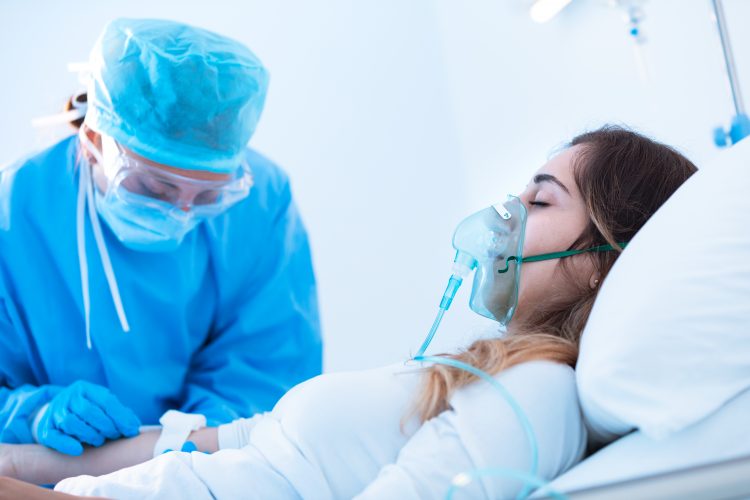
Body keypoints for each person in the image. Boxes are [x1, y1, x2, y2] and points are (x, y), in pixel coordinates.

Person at [0, 127, 697, 499]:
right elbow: (236, 441)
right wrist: (23, 458)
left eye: (539, 202)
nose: (504, 213)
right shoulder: (475, 374)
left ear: (611, 253)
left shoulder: (541, 394)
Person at [0, 18, 322, 457]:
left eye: (209, 195)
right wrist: (29, 415)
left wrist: (185, 453)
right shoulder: (14, 216)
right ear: (93, 139)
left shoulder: (260, 201)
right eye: (154, 188)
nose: (181, 213)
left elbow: (266, 367)